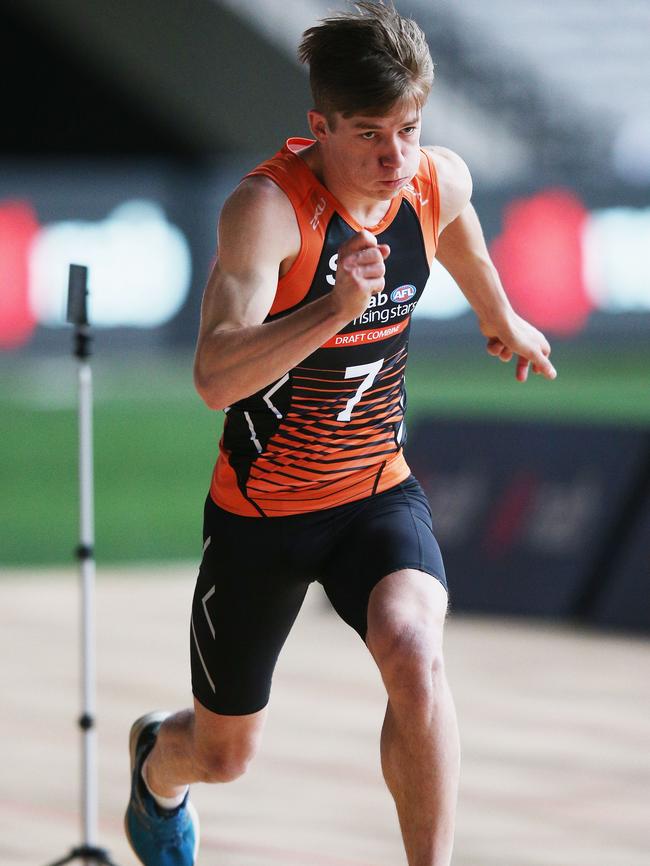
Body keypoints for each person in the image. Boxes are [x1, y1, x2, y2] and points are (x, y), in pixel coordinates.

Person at [124, 3, 556, 865]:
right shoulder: (269, 212)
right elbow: (214, 377)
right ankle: (154, 768)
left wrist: (500, 313)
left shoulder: (432, 179)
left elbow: (458, 222)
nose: (395, 157)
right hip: (263, 515)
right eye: (369, 134)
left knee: (413, 645)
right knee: (223, 753)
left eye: (409, 129)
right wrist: (333, 308)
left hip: (373, 492)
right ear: (319, 127)